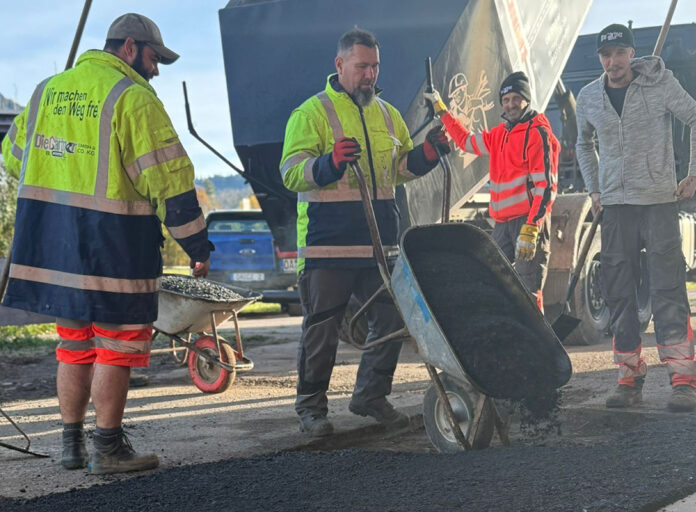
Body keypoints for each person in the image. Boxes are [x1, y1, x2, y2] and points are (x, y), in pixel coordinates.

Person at [1, 13, 212, 473]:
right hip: (113, 246)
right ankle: (108, 449)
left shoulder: (47, 90)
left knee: (75, 343)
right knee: (118, 345)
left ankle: (71, 446)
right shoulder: (133, 98)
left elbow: (13, 157)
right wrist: (197, 246)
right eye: (154, 59)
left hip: (53, 246)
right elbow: (170, 184)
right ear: (130, 47)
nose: (156, 70)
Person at [280, 28, 450, 437]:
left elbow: (399, 169)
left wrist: (427, 153)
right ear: (340, 65)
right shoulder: (311, 113)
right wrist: (329, 163)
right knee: (322, 328)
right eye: (361, 67)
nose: (370, 75)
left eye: (375, 66)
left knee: (392, 319)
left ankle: (371, 396)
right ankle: (311, 410)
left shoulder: (388, 115)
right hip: (327, 246)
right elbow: (290, 172)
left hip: (379, 245)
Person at [575, 23, 696, 412]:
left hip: (658, 201)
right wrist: (595, 189)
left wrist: (692, 172)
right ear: (600, 58)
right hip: (615, 206)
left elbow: (694, 116)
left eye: (619, 53)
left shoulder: (660, 84)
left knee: (667, 288)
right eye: (606, 55)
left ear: (631, 53)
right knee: (619, 291)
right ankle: (629, 376)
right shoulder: (589, 96)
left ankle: (683, 379)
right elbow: (582, 143)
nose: (613, 62)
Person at [426, 71, 560, 312]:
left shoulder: (537, 133)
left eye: (516, 99)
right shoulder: (499, 134)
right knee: (491, 280)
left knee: (527, 293)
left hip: (527, 224)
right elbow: (466, 141)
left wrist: (532, 226)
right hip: (503, 224)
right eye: (506, 100)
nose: (510, 105)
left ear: (526, 100)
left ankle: (534, 336)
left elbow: (546, 187)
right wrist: (442, 112)